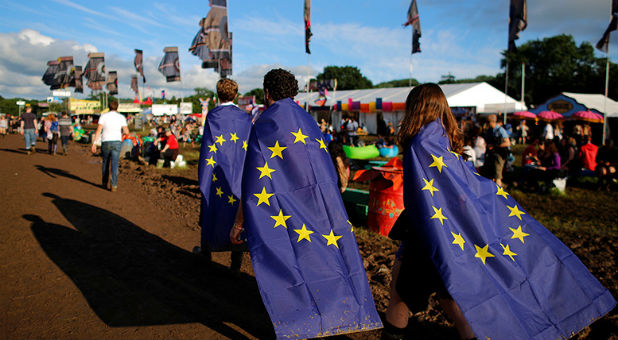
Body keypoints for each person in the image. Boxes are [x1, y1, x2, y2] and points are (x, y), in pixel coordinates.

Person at [383, 83, 615, 340]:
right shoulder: (445, 142)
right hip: (451, 236)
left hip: (428, 234)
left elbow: (429, 195)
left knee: (401, 295)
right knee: (451, 296)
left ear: (416, 107)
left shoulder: (420, 144)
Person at [230, 69, 382, 339]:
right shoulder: (308, 121)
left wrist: (240, 222)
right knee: (325, 259)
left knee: (290, 262)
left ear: (267, 93)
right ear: (293, 91)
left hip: (285, 210)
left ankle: (300, 323)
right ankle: (339, 314)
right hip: (321, 207)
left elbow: (252, 181)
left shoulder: (265, 124)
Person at [196, 78, 252, 276]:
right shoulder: (246, 117)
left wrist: (204, 173)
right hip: (239, 172)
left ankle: (206, 250)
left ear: (217, 94)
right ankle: (236, 259)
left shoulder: (212, 116)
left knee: (212, 203)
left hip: (217, 171)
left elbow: (207, 149)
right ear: (236, 95)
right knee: (236, 207)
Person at [91, 101, 128, 192]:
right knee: (115, 164)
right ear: (117, 107)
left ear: (109, 107)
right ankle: (114, 184)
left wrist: (94, 143)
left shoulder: (103, 116)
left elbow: (98, 130)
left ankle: (104, 182)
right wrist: (122, 135)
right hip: (116, 142)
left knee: (105, 163)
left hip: (106, 141)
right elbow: (126, 131)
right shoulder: (121, 117)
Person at [482, 114, 510, 187]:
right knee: (489, 173)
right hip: (491, 154)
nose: (487, 124)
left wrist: (495, 146)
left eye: (488, 122)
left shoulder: (500, 130)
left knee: (497, 175)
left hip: (500, 155)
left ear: (493, 122)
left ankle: (499, 194)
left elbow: (507, 143)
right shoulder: (488, 131)